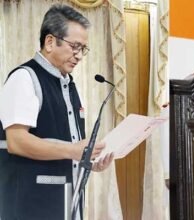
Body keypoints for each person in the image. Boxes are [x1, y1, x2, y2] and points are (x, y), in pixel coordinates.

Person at [0, 4, 113, 220]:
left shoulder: (68, 84)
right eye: (75, 47)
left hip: (66, 202)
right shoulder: (24, 78)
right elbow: (16, 142)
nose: (79, 56)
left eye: (83, 49)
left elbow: (66, 145)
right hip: (30, 206)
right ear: (50, 42)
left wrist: (88, 160)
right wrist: (72, 151)